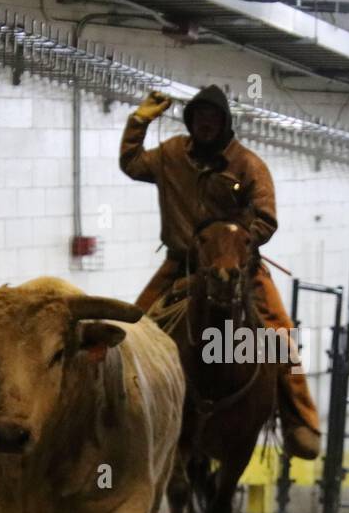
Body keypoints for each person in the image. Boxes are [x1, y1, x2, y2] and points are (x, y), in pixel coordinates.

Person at [120, 85, 321, 460]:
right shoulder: (171, 155)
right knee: (134, 328)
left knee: (280, 334)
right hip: (181, 264)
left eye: (213, 119)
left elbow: (266, 219)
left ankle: (299, 421)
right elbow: (132, 164)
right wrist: (138, 122)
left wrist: (230, 244)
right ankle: (123, 413)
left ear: (224, 123)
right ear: (191, 121)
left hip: (237, 267)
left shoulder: (247, 165)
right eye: (200, 118)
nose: (206, 125)